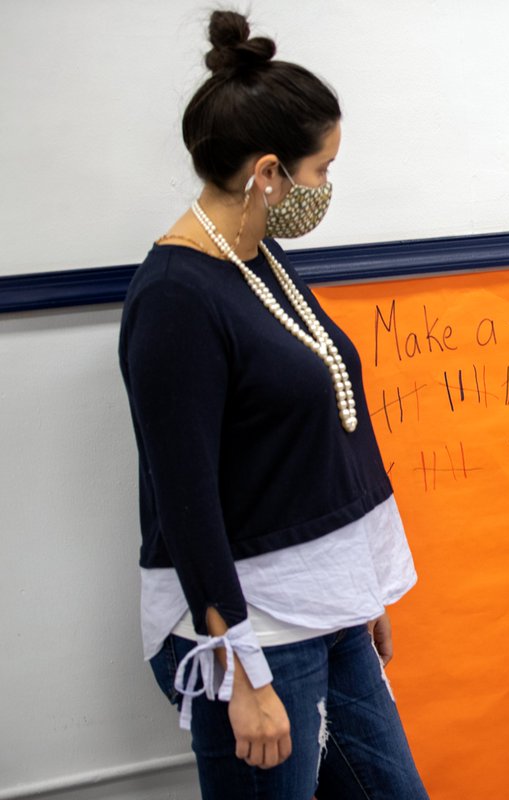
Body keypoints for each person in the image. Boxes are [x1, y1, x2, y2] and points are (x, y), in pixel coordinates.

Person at [118, 11, 429, 799]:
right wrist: (242, 674)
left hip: (322, 608)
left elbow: (309, 438)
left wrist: (355, 590)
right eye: (320, 169)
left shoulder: (262, 259)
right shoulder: (176, 299)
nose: (325, 187)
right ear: (267, 173)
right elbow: (186, 502)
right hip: (251, 630)